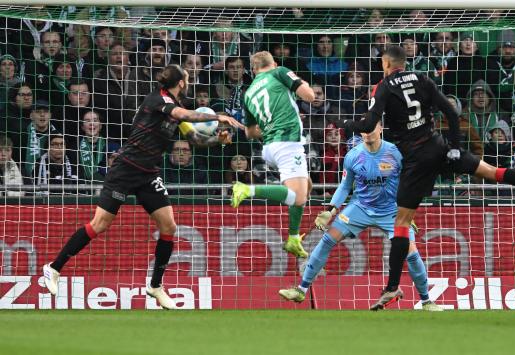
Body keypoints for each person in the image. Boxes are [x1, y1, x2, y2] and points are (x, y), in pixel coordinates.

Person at [340, 45, 515, 310]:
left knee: (401, 223)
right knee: (492, 172)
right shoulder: (423, 79)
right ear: (404, 63)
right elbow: (452, 113)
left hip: (416, 161)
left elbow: (368, 123)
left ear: (386, 64)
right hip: (439, 147)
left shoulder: (383, 86)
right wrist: (454, 146)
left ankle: (392, 288)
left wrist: (348, 125)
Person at [42, 64, 244, 309]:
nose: (189, 81)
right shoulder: (158, 99)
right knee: (100, 224)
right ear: (181, 82)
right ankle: (54, 268)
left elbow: (195, 139)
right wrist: (217, 115)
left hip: (148, 174)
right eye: (187, 78)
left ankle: (155, 286)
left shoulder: (175, 107)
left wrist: (218, 139)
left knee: (168, 225)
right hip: (125, 169)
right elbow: (184, 115)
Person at [278, 122, 443, 311]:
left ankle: (426, 301)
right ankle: (301, 290)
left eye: (372, 128)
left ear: (381, 128)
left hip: (391, 211)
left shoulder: (395, 153)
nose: (367, 133)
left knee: (411, 253)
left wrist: (408, 211)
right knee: (327, 240)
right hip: (360, 208)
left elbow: (409, 181)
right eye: (364, 130)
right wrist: (331, 210)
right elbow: (345, 186)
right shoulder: (353, 156)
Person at [231, 51, 315, 258]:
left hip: (269, 147)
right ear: (274, 64)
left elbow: (250, 132)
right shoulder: (280, 72)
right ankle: (247, 189)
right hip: (287, 142)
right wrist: (295, 83)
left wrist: (270, 124)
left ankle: (293, 238)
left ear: (253, 70)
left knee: (307, 185)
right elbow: (310, 96)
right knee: (297, 197)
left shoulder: (248, 93)